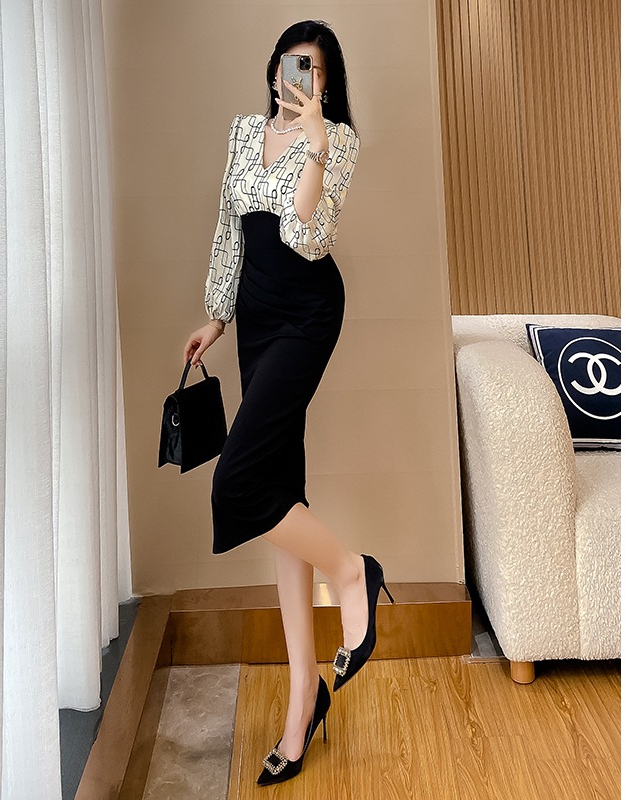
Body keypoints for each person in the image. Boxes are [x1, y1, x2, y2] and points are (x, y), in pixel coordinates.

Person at [182, 20, 394, 787]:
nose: (298, 75)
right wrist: (217, 314)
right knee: (276, 488)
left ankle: (352, 571)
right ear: (274, 67)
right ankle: (304, 698)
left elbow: (307, 234)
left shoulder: (338, 142)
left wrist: (315, 144)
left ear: (326, 84)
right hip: (257, 319)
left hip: (307, 312)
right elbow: (229, 228)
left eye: (314, 69)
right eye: (290, 62)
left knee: (238, 483)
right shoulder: (243, 132)